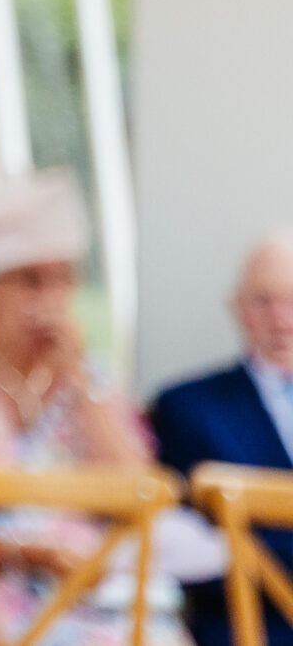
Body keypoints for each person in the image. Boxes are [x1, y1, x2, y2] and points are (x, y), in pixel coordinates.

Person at [0, 169, 186, 646]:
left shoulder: (91, 377)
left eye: (62, 281)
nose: (49, 300)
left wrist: (81, 381)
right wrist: (30, 553)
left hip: (95, 586)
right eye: (30, 281)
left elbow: (140, 492)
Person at [151, 234, 293, 646]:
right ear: (237, 309)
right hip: (245, 629)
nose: (281, 319)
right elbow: (185, 548)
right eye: (263, 301)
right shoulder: (187, 406)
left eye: (291, 299)